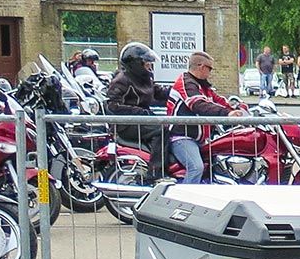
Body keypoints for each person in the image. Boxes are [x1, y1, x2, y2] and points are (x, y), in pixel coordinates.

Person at [167, 51, 248, 185]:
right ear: (201, 67)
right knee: (196, 167)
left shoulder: (203, 86)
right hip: (183, 137)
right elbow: (197, 104)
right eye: (209, 68)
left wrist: (238, 108)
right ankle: (184, 200)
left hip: (201, 139)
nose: (210, 72)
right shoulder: (186, 82)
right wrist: (226, 114)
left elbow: (219, 100)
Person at [105, 42, 167, 172]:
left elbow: (159, 92)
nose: (149, 66)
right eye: (146, 63)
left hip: (142, 119)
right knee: (161, 130)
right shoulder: (121, 80)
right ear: (136, 64)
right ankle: (156, 171)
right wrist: (138, 111)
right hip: (126, 124)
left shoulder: (145, 78)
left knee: (171, 125)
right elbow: (112, 106)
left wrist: (177, 93)